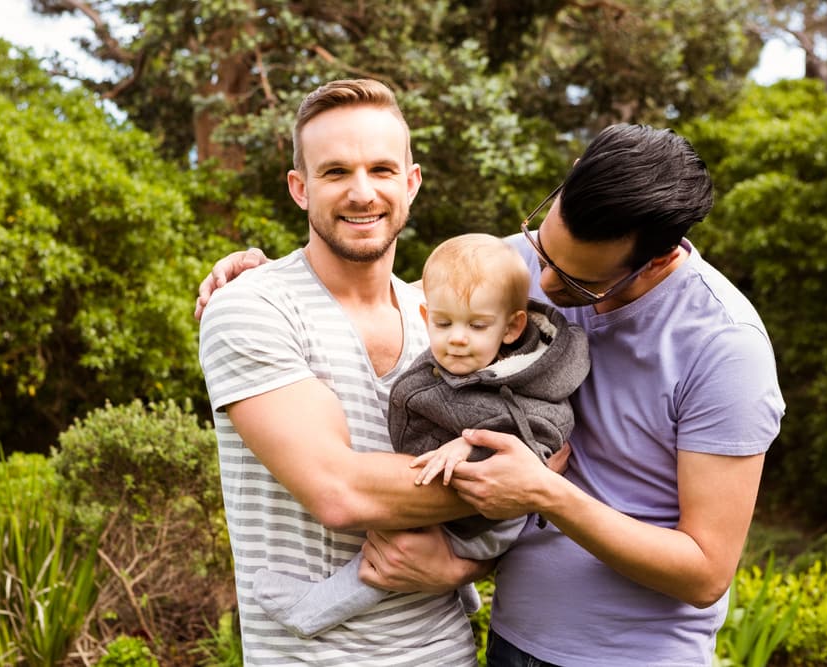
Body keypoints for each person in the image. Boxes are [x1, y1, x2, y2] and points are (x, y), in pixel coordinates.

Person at [196, 123, 785, 666]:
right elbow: (414, 293)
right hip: (509, 642)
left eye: (575, 280)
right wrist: (264, 279)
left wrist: (548, 494)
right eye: (542, 248)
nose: (543, 282)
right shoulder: (519, 263)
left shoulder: (725, 347)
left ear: (655, 261)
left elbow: (706, 571)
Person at [199, 78, 492, 665]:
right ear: (300, 188)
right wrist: (524, 480)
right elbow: (338, 491)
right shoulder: (252, 306)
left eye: (382, 169)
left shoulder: (440, 319)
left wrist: (465, 564)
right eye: (335, 173)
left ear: (410, 183)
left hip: (447, 655)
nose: (363, 193)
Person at [251, 233, 589, 639]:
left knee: (394, 545)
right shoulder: (468, 349)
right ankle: (462, 590)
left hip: (489, 524)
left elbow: (541, 434)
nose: (458, 337)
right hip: (459, 509)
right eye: (443, 323)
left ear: (512, 327)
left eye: (477, 325)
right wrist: (265, 269)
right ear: (426, 315)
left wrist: (469, 443)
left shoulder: (530, 375)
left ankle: (316, 608)